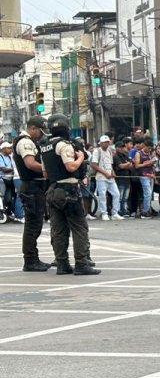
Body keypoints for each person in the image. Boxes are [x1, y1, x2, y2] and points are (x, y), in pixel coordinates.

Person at [40, 115, 100, 275]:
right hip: (69, 190)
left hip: (52, 190)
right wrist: (80, 157)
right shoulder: (64, 145)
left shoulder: (45, 146)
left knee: (58, 230)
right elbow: (71, 167)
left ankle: (62, 264)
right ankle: (81, 264)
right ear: (66, 128)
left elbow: (45, 173)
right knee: (79, 227)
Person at [14, 117, 51, 270]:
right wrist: (47, 170)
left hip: (33, 186)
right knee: (32, 225)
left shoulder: (29, 141)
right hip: (31, 186)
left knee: (35, 224)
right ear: (33, 128)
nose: (41, 135)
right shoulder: (25, 142)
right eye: (40, 132)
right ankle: (30, 260)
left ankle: (33, 258)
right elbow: (30, 163)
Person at [89, 135, 123, 221]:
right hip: (101, 177)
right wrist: (105, 173)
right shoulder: (97, 151)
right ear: (100, 143)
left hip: (110, 177)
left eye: (107, 142)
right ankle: (104, 213)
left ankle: (115, 213)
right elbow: (94, 165)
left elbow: (110, 164)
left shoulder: (109, 151)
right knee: (102, 196)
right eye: (104, 142)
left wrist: (112, 172)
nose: (106, 144)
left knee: (116, 194)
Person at [132, 139, 157, 218]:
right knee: (147, 194)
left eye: (150, 148)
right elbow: (137, 165)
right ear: (145, 146)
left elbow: (152, 164)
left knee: (149, 195)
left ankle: (148, 210)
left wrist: (152, 163)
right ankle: (145, 212)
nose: (149, 150)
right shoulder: (138, 153)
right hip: (143, 175)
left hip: (151, 175)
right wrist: (146, 163)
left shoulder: (150, 153)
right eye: (148, 148)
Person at [0, 141, 22, 222]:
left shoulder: (10, 157)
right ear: (3, 149)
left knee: (9, 198)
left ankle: (8, 212)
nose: (10, 149)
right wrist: (14, 169)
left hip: (11, 179)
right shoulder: (0, 157)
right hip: (3, 180)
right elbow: (3, 169)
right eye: (9, 148)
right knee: (2, 197)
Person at [115, 137, 134, 217]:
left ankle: (124, 210)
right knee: (120, 196)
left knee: (125, 197)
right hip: (120, 179)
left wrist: (127, 164)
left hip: (127, 178)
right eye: (120, 147)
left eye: (123, 147)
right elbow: (121, 166)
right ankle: (119, 210)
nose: (122, 148)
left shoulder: (125, 155)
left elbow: (131, 166)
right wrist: (127, 164)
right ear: (116, 148)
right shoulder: (115, 156)